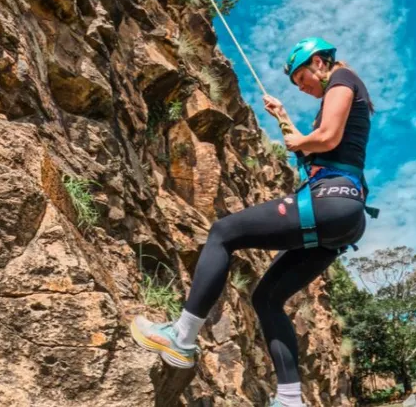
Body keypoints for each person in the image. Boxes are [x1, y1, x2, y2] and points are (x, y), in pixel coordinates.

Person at [131, 37, 375, 407]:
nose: (303, 87)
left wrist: (303, 140)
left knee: (223, 233)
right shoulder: (340, 90)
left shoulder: (342, 81)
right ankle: (291, 399)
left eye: (302, 77)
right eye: (296, 84)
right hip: (344, 215)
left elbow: (325, 138)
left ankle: (181, 337)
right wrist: (282, 117)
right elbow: (309, 144)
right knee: (267, 298)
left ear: (320, 61)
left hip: (330, 201)